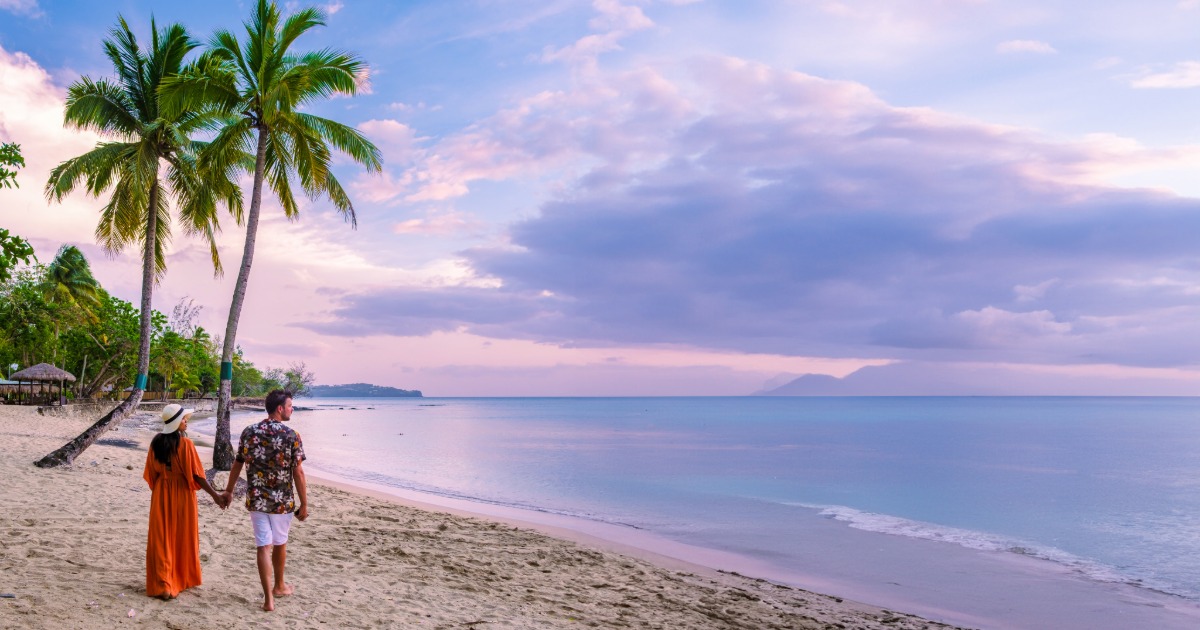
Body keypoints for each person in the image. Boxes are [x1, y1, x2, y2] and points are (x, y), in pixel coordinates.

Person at [220, 389, 308, 612]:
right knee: (280, 543)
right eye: (290, 406)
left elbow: (237, 463)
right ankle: (279, 586)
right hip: (282, 501)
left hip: (257, 499)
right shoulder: (291, 435)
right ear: (280, 408)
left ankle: (268, 599)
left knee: (263, 545)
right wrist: (304, 503)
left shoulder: (249, 432)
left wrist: (229, 491)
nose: (292, 409)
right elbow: (298, 472)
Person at [143, 403, 228, 600]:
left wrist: (164, 486)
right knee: (181, 536)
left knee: (162, 537)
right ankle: (177, 580)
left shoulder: (155, 443)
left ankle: (164, 583)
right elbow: (197, 476)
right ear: (175, 423)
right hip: (182, 494)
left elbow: (152, 474)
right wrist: (215, 496)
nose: (186, 422)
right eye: (183, 419)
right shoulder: (186, 445)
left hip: (161, 493)